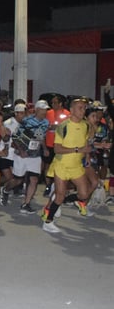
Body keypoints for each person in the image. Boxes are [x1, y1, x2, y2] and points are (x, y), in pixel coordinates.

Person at [40, 98, 93, 233]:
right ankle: (48, 221)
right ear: (72, 110)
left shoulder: (85, 125)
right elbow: (57, 149)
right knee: (59, 196)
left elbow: (86, 143)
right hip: (62, 165)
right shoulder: (63, 126)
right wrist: (77, 150)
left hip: (76, 166)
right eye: (80, 108)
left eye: (84, 108)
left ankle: (59, 203)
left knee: (84, 194)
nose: (83, 111)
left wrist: (86, 156)